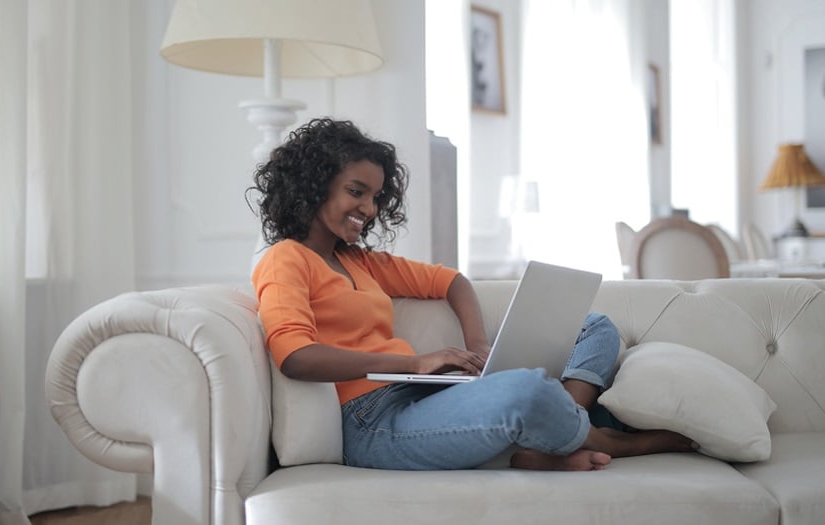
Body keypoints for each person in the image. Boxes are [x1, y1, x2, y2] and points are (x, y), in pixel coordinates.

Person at [246, 118, 696, 471]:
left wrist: (479, 345)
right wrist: (413, 364)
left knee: (594, 325)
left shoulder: (361, 261)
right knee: (523, 389)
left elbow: (453, 282)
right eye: (356, 192)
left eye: (376, 197)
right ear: (313, 183)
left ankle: (551, 431)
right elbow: (295, 356)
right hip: (372, 424)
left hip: (421, 398)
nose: (369, 209)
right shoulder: (284, 259)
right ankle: (599, 437)